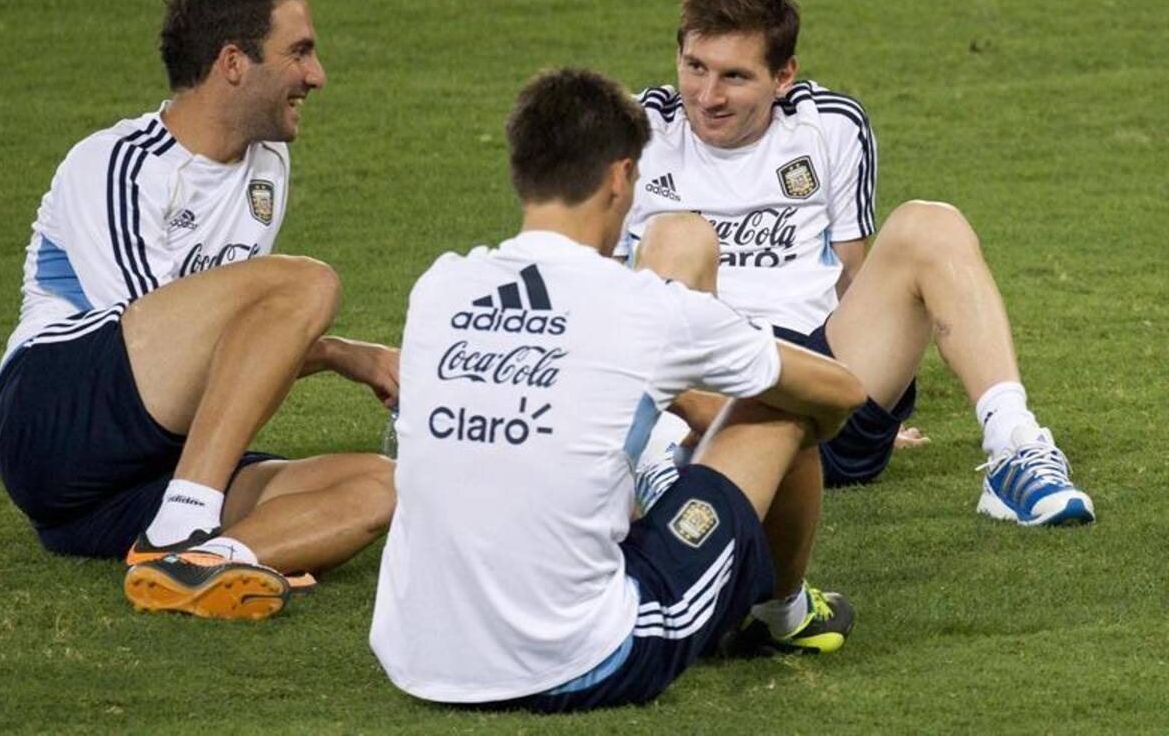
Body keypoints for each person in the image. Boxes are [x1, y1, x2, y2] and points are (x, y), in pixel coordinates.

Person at [369, 68, 866, 712]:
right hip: (577, 660)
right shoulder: (645, 310)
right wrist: (717, 404)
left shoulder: (439, 286)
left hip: (416, 656)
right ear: (618, 178)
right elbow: (843, 390)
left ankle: (655, 479)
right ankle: (786, 615)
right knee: (779, 408)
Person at [0, 0, 398, 621]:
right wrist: (349, 355)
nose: (317, 76)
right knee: (308, 282)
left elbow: (236, 344)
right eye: (300, 52)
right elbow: (162, 338)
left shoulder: (267, 166)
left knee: (380, 486)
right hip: (52, 418)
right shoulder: (117, 163)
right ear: (233, 62)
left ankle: (195, 562)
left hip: (139, 478)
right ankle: (183, 523)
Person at [618, 0, 1094, 527]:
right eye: (694, 67)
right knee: (679, 237)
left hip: (818, 391)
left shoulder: (831, 126)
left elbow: (854, 275)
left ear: (783, 76)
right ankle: (654, 463)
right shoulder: (631, 130)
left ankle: (1015, 447)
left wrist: (870, 394)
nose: (707, 95)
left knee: (929, 223)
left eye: (735, 76)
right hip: (694, 394)